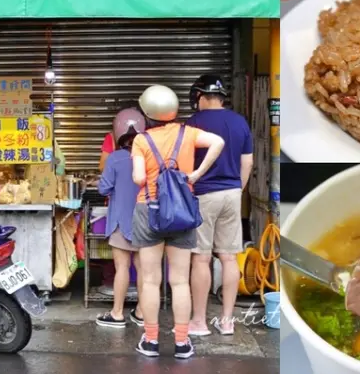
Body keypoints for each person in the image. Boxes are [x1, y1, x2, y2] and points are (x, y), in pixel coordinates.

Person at [130, 85, 225, 359]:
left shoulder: (141, 140)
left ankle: (150, 341)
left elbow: (138, 178)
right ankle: (182, 343)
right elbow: (218, 142)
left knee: (149, 281)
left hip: (148, 209)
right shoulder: (189, 133)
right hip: (182, 211)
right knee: (180, 281)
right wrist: (194, 174)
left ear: (147, 112)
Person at [186, 74, 254, 336]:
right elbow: (247, 163)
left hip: (203, 195)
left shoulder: (193, 123)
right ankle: (227, 321)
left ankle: (200, 322)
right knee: (228, 257)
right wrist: (238, 189)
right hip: (233, 193)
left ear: (201, 97)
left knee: (201, 259)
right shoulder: (239, 122)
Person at [96, 108, 147, 329]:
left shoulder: (115, 158)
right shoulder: (148, 156)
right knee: (144, 268)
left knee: (122, 267)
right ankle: (142, 312)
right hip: (145, 221)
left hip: (120, 222)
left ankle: (117, 313)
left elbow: (103, 188)